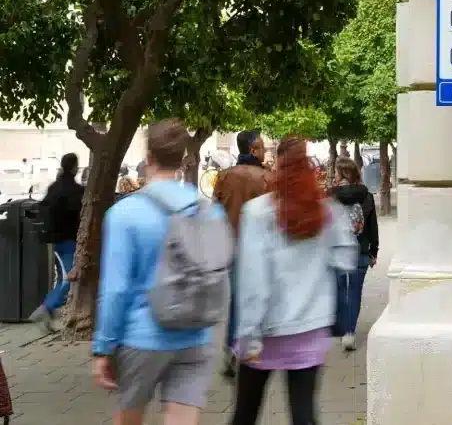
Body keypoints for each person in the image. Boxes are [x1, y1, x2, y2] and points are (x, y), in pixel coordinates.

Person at [92, 119, 226, 425]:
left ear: (149, 158)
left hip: (142, 337)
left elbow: (115, 289)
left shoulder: (125, 214)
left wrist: (103, 347)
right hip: (196, 333)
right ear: (182, 158)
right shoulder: (208, 210)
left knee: (129, 419)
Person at [230, 137, 357, 425]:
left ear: (278, 166)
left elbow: (254, 279)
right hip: (311, 327)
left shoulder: (259, 212)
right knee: (304, 414)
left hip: (266, 331)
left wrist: (248, 333)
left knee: (245, 414)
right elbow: (346, 259)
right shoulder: (327, 211)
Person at [212, 130, 272, 379]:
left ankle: (232, 347)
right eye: (263, 148)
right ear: (254, 150)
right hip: (260, 249)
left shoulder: (224, 177)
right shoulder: (267, 178)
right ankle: (252, 347)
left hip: (231, 247)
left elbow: (215, 214)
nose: (266, 151)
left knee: (236, 300)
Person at [29, 153, 84, 333]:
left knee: (64, 277)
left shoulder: (55, 187)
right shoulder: (75, 190)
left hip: (57, 239)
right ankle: (46, 308)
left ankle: (49, 316)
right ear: (75, 167)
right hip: (67, 239)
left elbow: (42, 207)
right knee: (69, 277)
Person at [329, 157, 380, 351]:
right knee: (355, 291)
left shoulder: (332, 195)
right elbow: (372, 226)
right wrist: (374, 250)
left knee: (340, 289)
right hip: (360, 249)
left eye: (336, 172)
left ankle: (342, 327)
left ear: (342, 174)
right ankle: (349, 332)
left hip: (337, 248)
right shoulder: (366, 195)